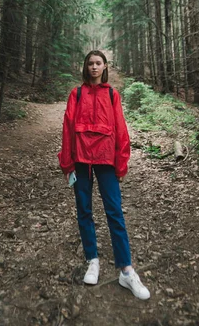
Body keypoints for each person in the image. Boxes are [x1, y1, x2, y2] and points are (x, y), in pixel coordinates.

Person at [58, 50, 150, 300]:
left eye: (98, 63)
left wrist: (121, 163)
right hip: (80, 159)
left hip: (106, 158)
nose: (94, 67)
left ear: (105, 66)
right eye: (90, 63)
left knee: (115, 211)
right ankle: (93, 260)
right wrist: (67, 162)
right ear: (86, 67)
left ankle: (126, 270)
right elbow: (68, 127)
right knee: (84, 210)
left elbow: (120, 128)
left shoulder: (112, 94)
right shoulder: (76, 94)